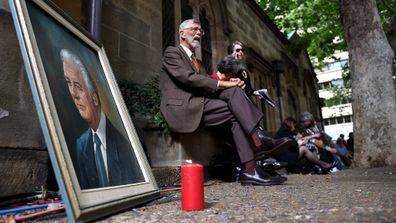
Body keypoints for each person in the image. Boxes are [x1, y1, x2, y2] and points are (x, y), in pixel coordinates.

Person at [160, 19, 292, 186]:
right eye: (194, 29)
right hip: (184, 108)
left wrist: (233, 83)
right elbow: (187, 79)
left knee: (235, 97)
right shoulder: (172, 53)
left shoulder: (198, 62)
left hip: (200, 104)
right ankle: (257, 141)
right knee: (233, 100)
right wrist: (224, 83)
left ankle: (251, 169)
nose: (199, 33)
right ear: (182, 34)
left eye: (201, 30)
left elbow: (207, 87)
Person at [60, 49, 144, 189]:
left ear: (95, 98)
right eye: (69, 82)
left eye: (78, 86)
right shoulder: (81, 144)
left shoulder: (125, 144)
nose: (73, 94)